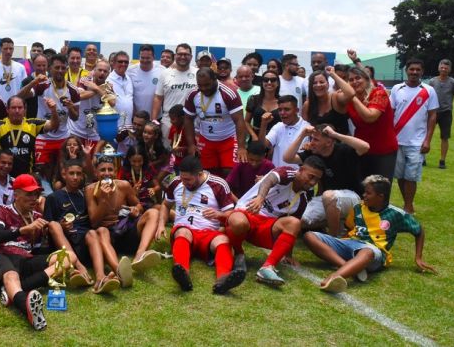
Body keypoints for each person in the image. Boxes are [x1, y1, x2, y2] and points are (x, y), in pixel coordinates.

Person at [303, 175, 436, 293]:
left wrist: (418, 258)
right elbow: (349, 228)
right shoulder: (358, 208)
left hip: (373, 251)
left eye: (368, 193)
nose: (364, 195)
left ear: (380, 196)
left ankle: (335, 277)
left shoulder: (396, 214)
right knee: (309, 236)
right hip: (351, 243)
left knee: (367, 252)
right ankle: (349, 267)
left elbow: (419, 230)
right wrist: (338, 243)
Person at [0, 174, 81, 331]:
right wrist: (23, 230)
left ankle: (15, 291)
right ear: (16, 194)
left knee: (68, 257)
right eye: (29, 194)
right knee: (11, 275)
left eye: (36, 194)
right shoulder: (2, 210)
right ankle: (26, 307)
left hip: (26, 259)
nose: (34, 198)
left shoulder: (37, 217)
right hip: (2, 254)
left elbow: (38, 249)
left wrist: (51, 233)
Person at [225, 156, 326, 287]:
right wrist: (260, 198)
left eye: (317, 180)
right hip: (246, 213)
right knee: (239, 223)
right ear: (300, 170)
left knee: (295, 222)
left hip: (264, 228)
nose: (313, 182)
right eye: (311, 176)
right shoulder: (287, 173)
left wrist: (288, 255)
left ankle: (267, 267)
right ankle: (238, 253)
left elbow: (292, 228)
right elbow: (269, 180)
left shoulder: (302, 200)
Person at [155, 155, 244, 294]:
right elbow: (166, 205)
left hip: (209, 233)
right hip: (185, 230)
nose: (184, 182)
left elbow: (231, 214)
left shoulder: (218, 184)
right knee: (183, 232)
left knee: (223, 240)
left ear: (199, 174)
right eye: (182, 178)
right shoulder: (176, 182)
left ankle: (223, 279)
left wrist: (219, 215)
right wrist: (161, 225)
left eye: (188, 179)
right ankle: (182, 272)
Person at [43, 160, 119, 293]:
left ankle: (100, 277)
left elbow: (95, 218)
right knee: (54, 225)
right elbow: (47, 227)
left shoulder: (86, 194)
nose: (75, 177)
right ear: (64, 174)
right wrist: (62, 225)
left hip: (86, 241)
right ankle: (77, 267)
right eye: (71, 173)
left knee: (93, 233)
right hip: (65, 243)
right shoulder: (53, 197)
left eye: (78, 174)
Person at [282, 124, 369, 236]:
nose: (312, 142)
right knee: (299, 220)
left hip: (354, 199)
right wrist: (302, 134)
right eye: (311, 138)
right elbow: (287, 158)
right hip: (327, 200)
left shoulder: (343, 150)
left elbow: (365, 147)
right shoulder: (314, 152)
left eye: (316, 139)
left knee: (329, 196)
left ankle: (333, 239)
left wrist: (335, 135)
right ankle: (337, 223)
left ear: (328, 142)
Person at [85, 157, 162, 280]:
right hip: (109, 237)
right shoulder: (90, 190)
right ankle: (119, 271)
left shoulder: (124, 185)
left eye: (110, 169)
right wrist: (104, 200)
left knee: (153, 212)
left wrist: (135, 209)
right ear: (96, 172)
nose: (106, 173)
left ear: (115, 171)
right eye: (102, 170)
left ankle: (139, 256)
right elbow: (94, 222)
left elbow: (139, 205)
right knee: (101, 231)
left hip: (127, 229)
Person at [18, 54, 80, 187]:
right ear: (50, 68)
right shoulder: (42, 86)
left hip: (63, 136)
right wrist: (34, 82)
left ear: (67, 69)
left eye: (63, 68)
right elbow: (20, 96)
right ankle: (45, 197)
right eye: (57, 67)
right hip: (43, 136)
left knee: (63, 172)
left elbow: (75, 117)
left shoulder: (73, 91)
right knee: (42, 172)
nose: (60, 71)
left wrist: (70, 107)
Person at [391, 59, 439, 214]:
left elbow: (432, 116)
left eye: (418, 69)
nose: (414, 72)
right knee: (400, 175)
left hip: (417, 142)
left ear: (422, 71)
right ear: (407, 70)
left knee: (411, 176)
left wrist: (427, 140)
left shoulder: (428, 90)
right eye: (411, 69)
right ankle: (407, 203)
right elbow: (391, 113)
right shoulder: (397, 89)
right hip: (397, 140)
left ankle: (408, 206)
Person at [184, 68, 248, 176]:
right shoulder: (193, 94)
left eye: (207, 85)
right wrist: (191, 145)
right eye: (200, 85)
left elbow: (239, 120)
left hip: (228, 139)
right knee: (207, 175)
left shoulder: (229, 93)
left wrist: (241, 147)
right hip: (206, 139)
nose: (204, 88)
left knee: (230, 172)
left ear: (215, 79)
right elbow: (188, 119)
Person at [0, 96, 59, 177]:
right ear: (7, 110)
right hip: (4, 176)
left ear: (25, 109)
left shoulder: (33, 124)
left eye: (20, 108)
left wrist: (53, 110)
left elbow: (54, 125)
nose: (17, 111)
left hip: (26, 176)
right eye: (13, 108)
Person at [345, 66, 398, 180]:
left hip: (383, 151)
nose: (354, 82)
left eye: (358, 78)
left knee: (379, 190)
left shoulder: (379, 94)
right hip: (361, 149)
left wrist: (352, 97)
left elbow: (370, 117)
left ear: (366, 79)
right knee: (360, 188)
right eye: (351, 80)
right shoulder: (348, 99)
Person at [152, 43, 197, 142]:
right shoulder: (165, 73)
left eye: (186, 54)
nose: (183, 57)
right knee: (168, 152)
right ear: (175, 56)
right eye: (180, 54)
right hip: (169, 121)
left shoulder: (197, 73)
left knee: (190, 152)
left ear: (191, 57)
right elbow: (158, 97)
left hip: (192, 120)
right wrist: (154, 120)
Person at [67, 60, 116, 151]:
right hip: (76, 131)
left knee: (92, 162)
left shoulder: (108, 86)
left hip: (94, 134)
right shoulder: (85, 80)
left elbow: (112, 103)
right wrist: (98, 90)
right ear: (94, 70)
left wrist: (97, 88)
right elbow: (79, 96)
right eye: (100, 70)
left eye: (105, 71)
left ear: (108, 73)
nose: (102, 73)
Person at [428, 59, 454, 169]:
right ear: (439, 68)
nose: (443, 69)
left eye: (446, 68)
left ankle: (442, 161)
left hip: (446, 113)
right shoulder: (432, 81)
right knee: (426, 134)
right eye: (442, 67)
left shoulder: (453, 83)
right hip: (432, 112)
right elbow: (427, 97)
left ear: (449, 69)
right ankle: (422, 158)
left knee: (445, 137)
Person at [302, 67, 354, 135]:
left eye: (321, 82)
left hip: (341, 143)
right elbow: (305, 130)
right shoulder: (308, 105)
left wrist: (333, 74)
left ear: (328, 84)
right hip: (318, 144)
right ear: (310, 86)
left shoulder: (335, 98)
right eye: (314, 83)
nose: (318, 85)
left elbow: (351, 94)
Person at [261, 95, 309, 168]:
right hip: (277, 176)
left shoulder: (307, 128)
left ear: (297, 110)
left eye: (287, 109)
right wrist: (264, 125)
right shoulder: (278, 126)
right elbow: (263, 145)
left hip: (298, 177)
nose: (282, 113)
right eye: (280, 110)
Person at [244, 69, 281, 143]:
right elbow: (246, 122)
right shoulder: (253, 99)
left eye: (273, 80)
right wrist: (253, 135)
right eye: (266, 80)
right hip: (256, 139)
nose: (269, 82)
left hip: (276, 140)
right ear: (262, 82)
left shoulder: (282, 102)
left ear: (278, 83)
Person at [0, 37, 28, 102]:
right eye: (5, 49)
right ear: (0, 49)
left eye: (11, 49)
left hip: (15, 106)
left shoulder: (21, 67)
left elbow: (25, 87)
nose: (8, 51)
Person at [128, 44, 161, 116]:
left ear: (153, 57)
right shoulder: (130, 71)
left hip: (156, 117)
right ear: (139, 57)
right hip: (137, 118)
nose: (145, 60)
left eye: (148, 58)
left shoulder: (162, 70)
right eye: (142, 57)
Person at [107, 51, 134, 128]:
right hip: (114, 126)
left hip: (128, 126)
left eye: (126, 62)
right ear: (114, 63)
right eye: (120, 62)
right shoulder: (108, 79)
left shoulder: (129, 79)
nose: (123, 64)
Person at [18, 53, 49, 119]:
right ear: (33, 65)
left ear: (47, 65)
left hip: (49, 119)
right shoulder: (26, 81)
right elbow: (19, 98)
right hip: (31, 120)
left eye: (44, 65)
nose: (42, 68)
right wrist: (34, 82)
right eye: (39, 65)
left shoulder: (52, 79)